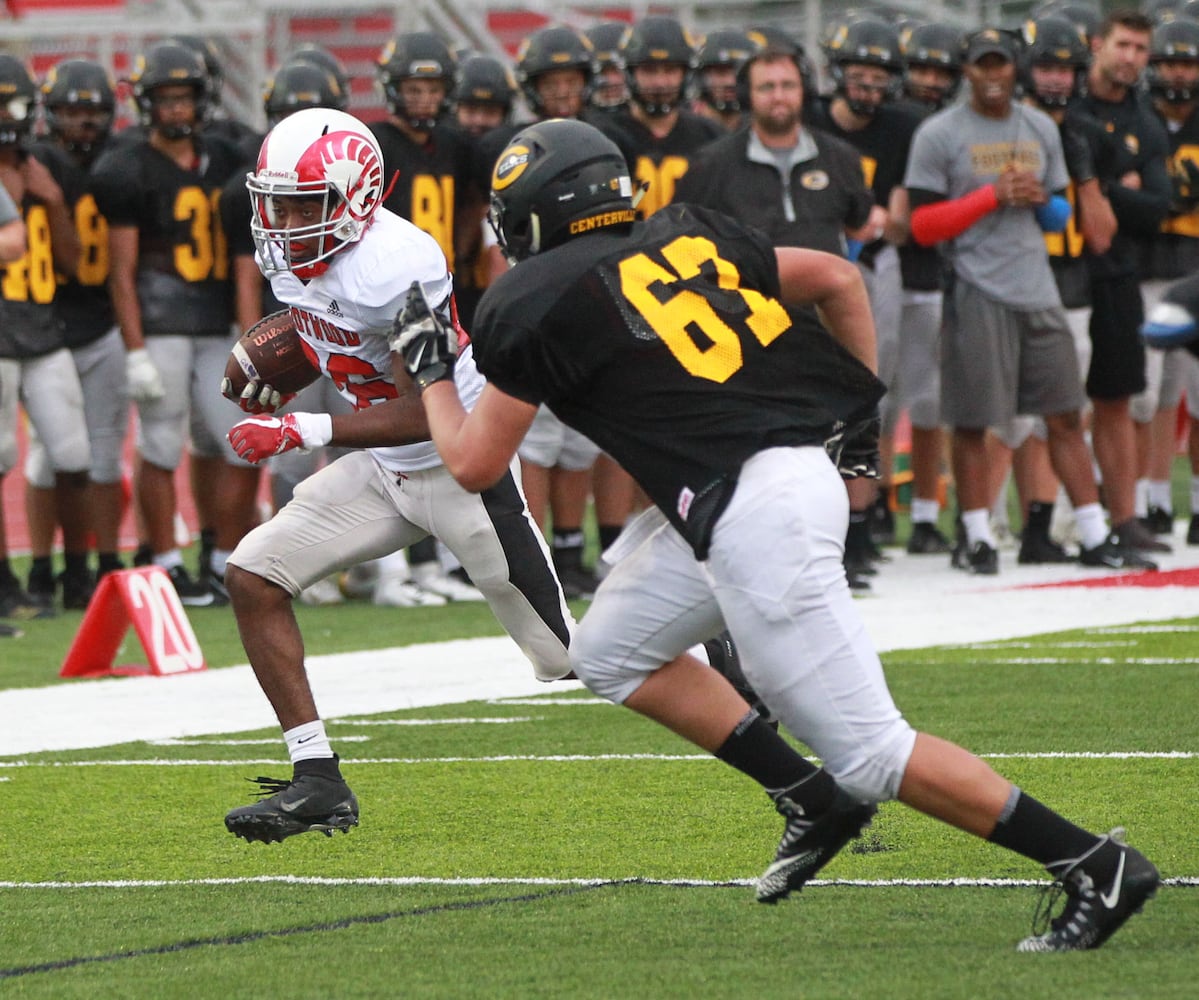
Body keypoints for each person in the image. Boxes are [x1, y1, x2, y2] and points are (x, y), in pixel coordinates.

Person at [395, 117, 1160, 951]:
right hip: (774, 483)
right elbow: (835, 276)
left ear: (536, 213)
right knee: (609, 650)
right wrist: (859, 422)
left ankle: (1090, 862)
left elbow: (472, 463)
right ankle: (808, 797)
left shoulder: (531, 299)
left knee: (872, 755)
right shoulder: (686, 240)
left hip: (755, 514)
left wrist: (433, 374)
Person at [220, 108, 575, 844]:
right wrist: (275, 363)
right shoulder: (292, 255)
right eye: (275, 200)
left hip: (458, 466)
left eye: (302, 203)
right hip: (385, 471)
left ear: (356, 197)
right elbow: (332, 330)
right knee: (253, 574)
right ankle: (316, 778)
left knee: (572, 659)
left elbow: (429, 410)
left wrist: (302, 427)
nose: (282, 220)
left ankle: (715, 656)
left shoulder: (398, 263)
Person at [905, 27, 1153, 573]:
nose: (992, 76)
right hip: (975, 286)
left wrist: (1041, 201)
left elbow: (1061, 218)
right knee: (974, 422)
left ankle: (1092, 532)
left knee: (1065, 415)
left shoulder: (1040, 125)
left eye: (1000, 65)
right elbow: (921, 226)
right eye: (981, 66)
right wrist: (990, 195)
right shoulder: (939, 132)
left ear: (1015, 69)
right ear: (966, 71)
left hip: (1037, 287)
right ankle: (975, 536)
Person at [91, 41, 248, 606]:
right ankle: (163, 559)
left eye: (185, 99)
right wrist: (134, 349)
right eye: (167, 100)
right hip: (159, 325)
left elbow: (245, 257)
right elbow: (122, 272)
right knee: (160, 442)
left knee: (237, 441)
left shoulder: (227, 159)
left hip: (214, 322)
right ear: (147, 105)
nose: (177, 111)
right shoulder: (125, 168)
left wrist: (249, 333)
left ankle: (225, 556)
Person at [370, 31, 489, 604]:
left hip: (440, 294)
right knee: (398, 421)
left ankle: (437, 559)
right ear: (393, 89)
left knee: (445, 420)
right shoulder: (379, 144)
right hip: (390, 298)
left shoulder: (456, 145)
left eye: (432, 88)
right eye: (413, 88)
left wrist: (462, 254)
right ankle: (397, 567)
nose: (423, 99)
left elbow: (474, 204)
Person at [23, 58, 126, 605]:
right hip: (47, 325)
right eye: (70, 111)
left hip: (102, 322)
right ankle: (46, 567)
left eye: (92, 112)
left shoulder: (122, 161)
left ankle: (104, 564)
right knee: (49, 455)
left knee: (104, 456)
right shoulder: (32, 160)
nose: (82, 123)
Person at [1076, 10, 1172, 554]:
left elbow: (1157, 209)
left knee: (1118, 398)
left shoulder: (1146, 121)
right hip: (1064, 270)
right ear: (1097, 45)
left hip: (1119, 273)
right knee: (1057, 406)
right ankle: (1056, 516)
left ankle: (1125, 515)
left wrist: (1104, 188)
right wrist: (1121, 186)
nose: (1131, 57)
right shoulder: (1070, 109)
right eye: (1123, 45)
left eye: (1140, 48)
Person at [0, 54, 87, 618]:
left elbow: (76, 264)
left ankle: (72, 572)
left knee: (73, 454)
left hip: (44, 327)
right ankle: (5, 579)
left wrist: (53, 201)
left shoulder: (46, 166)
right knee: (0, 454)